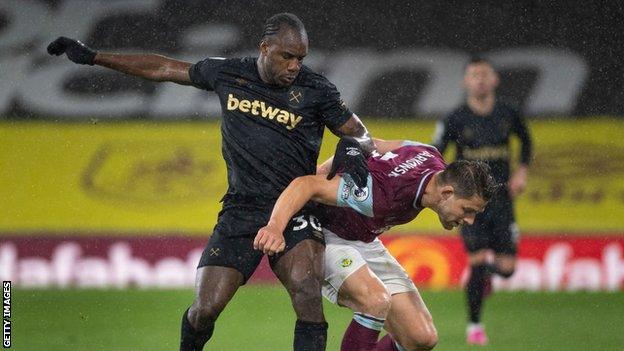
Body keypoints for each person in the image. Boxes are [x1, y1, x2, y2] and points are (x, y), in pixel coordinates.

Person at [47, 13, 374, 351]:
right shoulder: (228, 73)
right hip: (241, 211)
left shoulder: (317, 89)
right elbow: (162, 69)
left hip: (295, 209)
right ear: (265, 48)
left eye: (300, 58)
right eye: (287, 56)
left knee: (307, 295)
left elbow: (363, 136)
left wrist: (351, 149)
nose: (294, 66)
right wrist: (94, 56)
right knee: (205, 310)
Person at [255, 138, 498, 351]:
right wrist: (275, 226)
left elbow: (369, 142)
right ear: (446, 193)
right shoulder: (382, 195)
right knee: (375, 301)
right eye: (467, 210)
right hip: (323, 235)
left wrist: (334, 163)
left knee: (421, 337)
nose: (469, 220)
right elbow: (306, 184)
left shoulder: (428, 153)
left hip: (363, 237)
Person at [432, 56, 533, 345]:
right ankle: (474, 326)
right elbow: (437, 153)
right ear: (466, 81)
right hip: (469, 204)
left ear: (494, 79)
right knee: (476, 261)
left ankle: (482, 277)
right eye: (474, 75)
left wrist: (521, 174)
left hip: (502, 201)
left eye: (484, 74)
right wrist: (447, 188)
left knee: (508, 268)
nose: (479, 79)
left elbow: (526, 141)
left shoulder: (508, 112)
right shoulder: (454, 118)